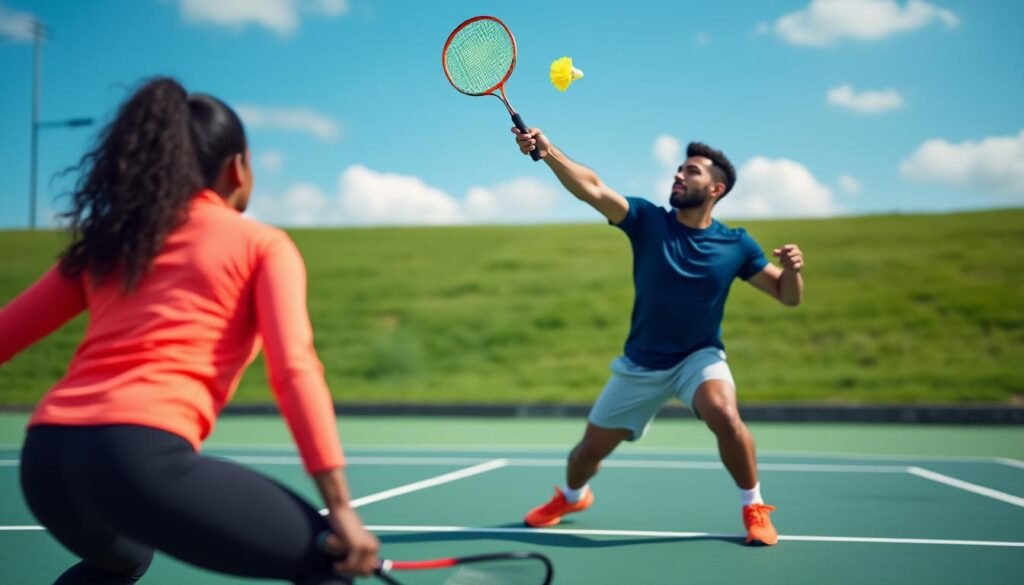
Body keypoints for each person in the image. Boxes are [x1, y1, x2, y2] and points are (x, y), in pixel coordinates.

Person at [0, 77, 378, 584]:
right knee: (330, 563)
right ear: (237, 168)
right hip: (134, 456)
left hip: (46, 463)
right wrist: (341, 508)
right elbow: (294, 371)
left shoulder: (113, 243)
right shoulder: (262, 245)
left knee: (126, 557)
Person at [512, 126, 805, 546]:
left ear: (716, 189)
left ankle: (754, 506)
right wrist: (548, 151)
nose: (679, 175)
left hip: (697, 359)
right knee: (586, 454)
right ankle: (573, 498)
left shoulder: (736, 245)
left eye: (692, 171)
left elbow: (786, 295)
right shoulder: (648, 222)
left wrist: (793, 271)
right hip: (641, 364)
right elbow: (592, 189)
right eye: (679, 169)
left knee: (724, 413)